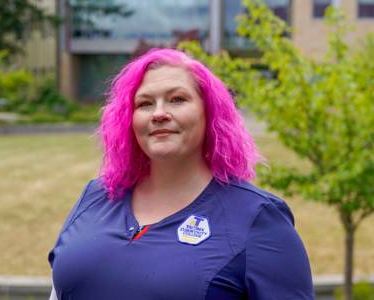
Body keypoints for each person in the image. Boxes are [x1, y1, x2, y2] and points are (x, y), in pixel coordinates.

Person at [48, 48, 315, 300]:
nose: (159, 113)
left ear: (209, 113)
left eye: (177, 99)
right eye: (145, 104)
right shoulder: (95, 197)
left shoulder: (257, 218)